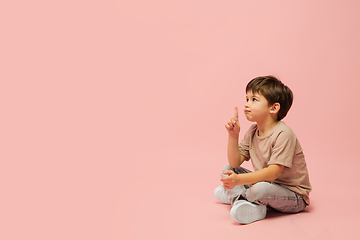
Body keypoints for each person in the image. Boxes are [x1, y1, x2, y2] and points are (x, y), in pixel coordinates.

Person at [214, 75, 312, 224]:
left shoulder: (284, 134)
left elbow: (273, 173)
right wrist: (233, 136)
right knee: (228, 169)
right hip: (266, 183)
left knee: (260, 189)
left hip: (294, 196)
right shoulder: (253, 131)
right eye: (247, 99)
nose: (247, 104)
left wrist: (238, 181)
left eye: (254, 100)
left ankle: (237, 197)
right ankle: (241, 199)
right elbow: (234, 162)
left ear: (274, 108)